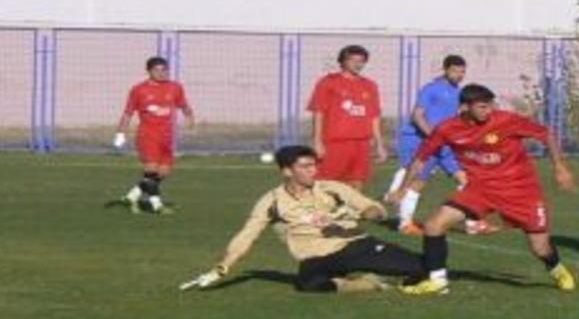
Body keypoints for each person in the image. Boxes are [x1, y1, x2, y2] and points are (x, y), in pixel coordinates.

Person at [388, 84, 578, 295]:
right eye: (482, 107)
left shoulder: (505, 120)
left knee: (540, 247)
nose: (488, 111)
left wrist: (560, 168)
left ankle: (557, 269)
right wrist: (403, 189)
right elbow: (420, 159)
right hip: (480, 189)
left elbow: (546, 134)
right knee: (434, 225)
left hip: (520, 191)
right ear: (464, 107)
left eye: (490, 106)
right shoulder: (447, 128)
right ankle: (437, 281)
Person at [179, 145, 425, 294]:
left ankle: (397, 270)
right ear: (287, 171)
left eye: (313, 165)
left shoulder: (331, 188)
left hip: (354, 246)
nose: (313, 171)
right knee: (309, 284)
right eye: (305, 166)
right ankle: (368, 283)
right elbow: (247, 235)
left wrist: (362, 213)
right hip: (316, 257)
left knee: (422, 268)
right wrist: (222, 267)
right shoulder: (271, 201)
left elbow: (376, 210)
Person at [385, 54, 494, 235]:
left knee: (466, 179)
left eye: (462, 71)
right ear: (445, 70)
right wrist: (433, 137)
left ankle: (472, 223)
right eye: (455, 71)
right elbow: (417, 115)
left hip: (445, 145)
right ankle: (405, 224)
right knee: (418, 182)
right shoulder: (431, 89)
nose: (459, 75)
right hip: (424, 142)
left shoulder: (459, 93)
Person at [114, 56, 194, 214]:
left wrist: (189, 117)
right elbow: (128, 113)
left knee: (162, 173)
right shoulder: (139, 90)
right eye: (157, 70)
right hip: (147, 136)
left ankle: (132, 196)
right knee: (151, 170)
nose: (161, 73)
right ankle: (157, 205)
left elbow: (184, 105)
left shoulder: (175, 87)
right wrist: (120, 133)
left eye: (164, 69)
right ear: (149, 71)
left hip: (167, 138)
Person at [308, 45, 387, 191]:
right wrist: (317, 141)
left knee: (357, 182)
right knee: (326, 182)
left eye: (362, 61)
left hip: (361, 143)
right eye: (353, 60)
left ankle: (350, 213)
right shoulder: (328, 82)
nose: (358, 64)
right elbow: (318, 112)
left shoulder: (370, 85)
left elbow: (374, 117)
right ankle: (322, 212)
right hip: (335, 142)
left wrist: (379, 144)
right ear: (342, 61)